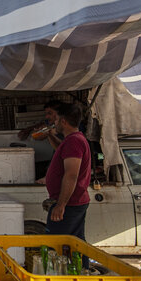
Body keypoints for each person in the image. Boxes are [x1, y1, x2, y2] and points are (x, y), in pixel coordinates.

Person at [45, 103, 91, 266]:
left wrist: (61, 204)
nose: (54, 123)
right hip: (74, 201)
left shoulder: (74, 142)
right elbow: (61, 150)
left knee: (55, 244)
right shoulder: (72, 141)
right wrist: (50, 136)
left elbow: (71, 175)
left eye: (56, 119)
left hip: (70, 203)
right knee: (76, 243)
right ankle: (83, 277)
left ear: (63, 121)